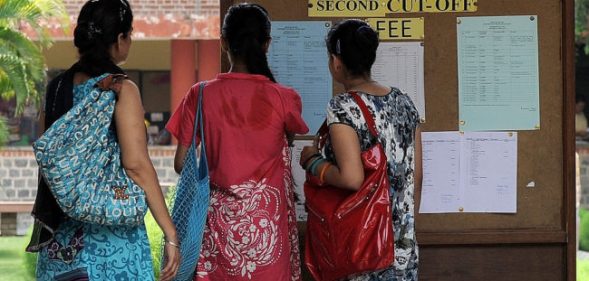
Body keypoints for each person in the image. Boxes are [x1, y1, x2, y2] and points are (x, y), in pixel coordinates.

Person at [26, 0, 180, 280]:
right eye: (129, 34)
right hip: (111, 243)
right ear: (119, 39)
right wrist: (170, 233)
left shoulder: (56, 89)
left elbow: (50, 158)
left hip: (62, 244)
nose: (130, 40)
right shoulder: (122, 89)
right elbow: (136, 166)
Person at [166, 3, 308, 280]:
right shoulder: (285, 97)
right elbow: (288, 139)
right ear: (266, 44)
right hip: (269, 235)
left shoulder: (200, 94)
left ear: (223, 43)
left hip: (217, 236)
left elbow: (182, 163)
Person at [299, 19, 422, 281]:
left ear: (336, 61)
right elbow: (417, 177)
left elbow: (351, 178)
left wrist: (313, 162)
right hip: (402, 247)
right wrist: (404, 229)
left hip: (361, 246)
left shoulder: (343, 106)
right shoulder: (404, 101)